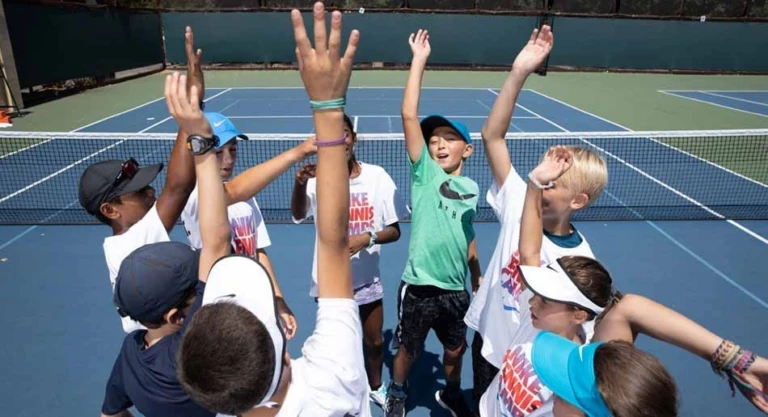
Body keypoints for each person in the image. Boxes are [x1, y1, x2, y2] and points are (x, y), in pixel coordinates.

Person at [176, 4, 372, 416]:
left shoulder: (226, 402)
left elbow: (214, 243)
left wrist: (198, 142)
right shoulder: (333, 379)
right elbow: (334, 243)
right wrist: (328, 106)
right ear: (284, 352)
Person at [461, 24, 609, 413]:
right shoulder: (518, 198)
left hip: (525, 357)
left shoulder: (582, 260)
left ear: (577, 200)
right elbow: (493, 137)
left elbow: (580, 327)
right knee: (481, 402)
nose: (541, 183)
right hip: (487, 335)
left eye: (553, 182)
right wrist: (519, 72)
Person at [99, 71, 232, 417]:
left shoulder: (130, 353)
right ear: (176, 316)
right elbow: (217, 241)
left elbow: (110, 413)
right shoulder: (192, 353)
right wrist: (200, 138)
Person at [78, 27, 203, 333]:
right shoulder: (133, 243)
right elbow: (179, 186)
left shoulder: (122, 243)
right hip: (167, 351)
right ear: (110, 210)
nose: (150, 192)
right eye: (138, 192)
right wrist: (191, 110)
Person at [385, 29, 482, 417]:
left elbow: (466, 232)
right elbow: (408, 114)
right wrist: (419, 61)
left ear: (467, 149)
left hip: (455, 289)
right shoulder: (425, 173)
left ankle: (452, 391)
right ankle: (396, 389)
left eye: (448, 138)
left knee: (455, 348)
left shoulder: (471, 188)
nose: (438, 144)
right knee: (409, 349)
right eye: (434, 139)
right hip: (420, 288)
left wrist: (476, 273)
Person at [291, 113, 408, 406]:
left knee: (375, 342)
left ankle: (375, 387)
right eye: (331, 135)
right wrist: (298, 183)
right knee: (337, 348)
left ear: (353, 138)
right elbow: (296, 214)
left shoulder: (377, 176)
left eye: (344, 133)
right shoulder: (317, 180)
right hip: (331, 282)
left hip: (368, 278)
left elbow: (394, 231)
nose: (339, 140)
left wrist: (366, 238)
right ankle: (335, 396)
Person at [181, 111, 318, 338]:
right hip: (220, 310)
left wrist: (278, 300)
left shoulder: (246, 196)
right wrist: (298, 152)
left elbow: (258, 251)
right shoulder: (196, 196)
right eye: (218, 152)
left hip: (255, 302)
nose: (228, 159)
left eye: (233, 150)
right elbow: (231, 192)